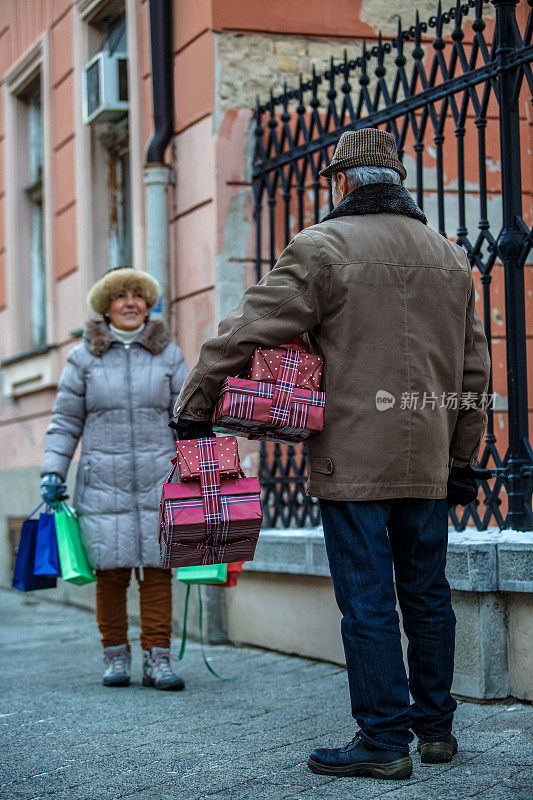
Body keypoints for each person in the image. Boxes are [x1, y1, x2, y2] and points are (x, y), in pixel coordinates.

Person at [172, 129, 490, 778]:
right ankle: (434, 731)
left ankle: (380, 741)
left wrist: (195, 406)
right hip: (426, 456)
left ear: (342, 182)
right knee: (427, 596)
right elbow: (472, 374)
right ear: (397, 182)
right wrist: (461, 461)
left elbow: (244, 331)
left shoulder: (321, 248)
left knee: (368, 600)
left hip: (351, 461)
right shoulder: (450, 258)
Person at [40, 267, 189, 691]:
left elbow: (187, 417)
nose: (130, 302)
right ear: (105, 306)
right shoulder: (83, 357)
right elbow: (65, 421)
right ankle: (115, 657)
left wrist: (204, 467)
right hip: (103, 482)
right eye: (120, 296)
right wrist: (53, 469)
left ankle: (158, 660)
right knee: (111, 571)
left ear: (147, 304)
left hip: (160, 480)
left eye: (137, 295)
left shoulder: (169, 355)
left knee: (159, 571)